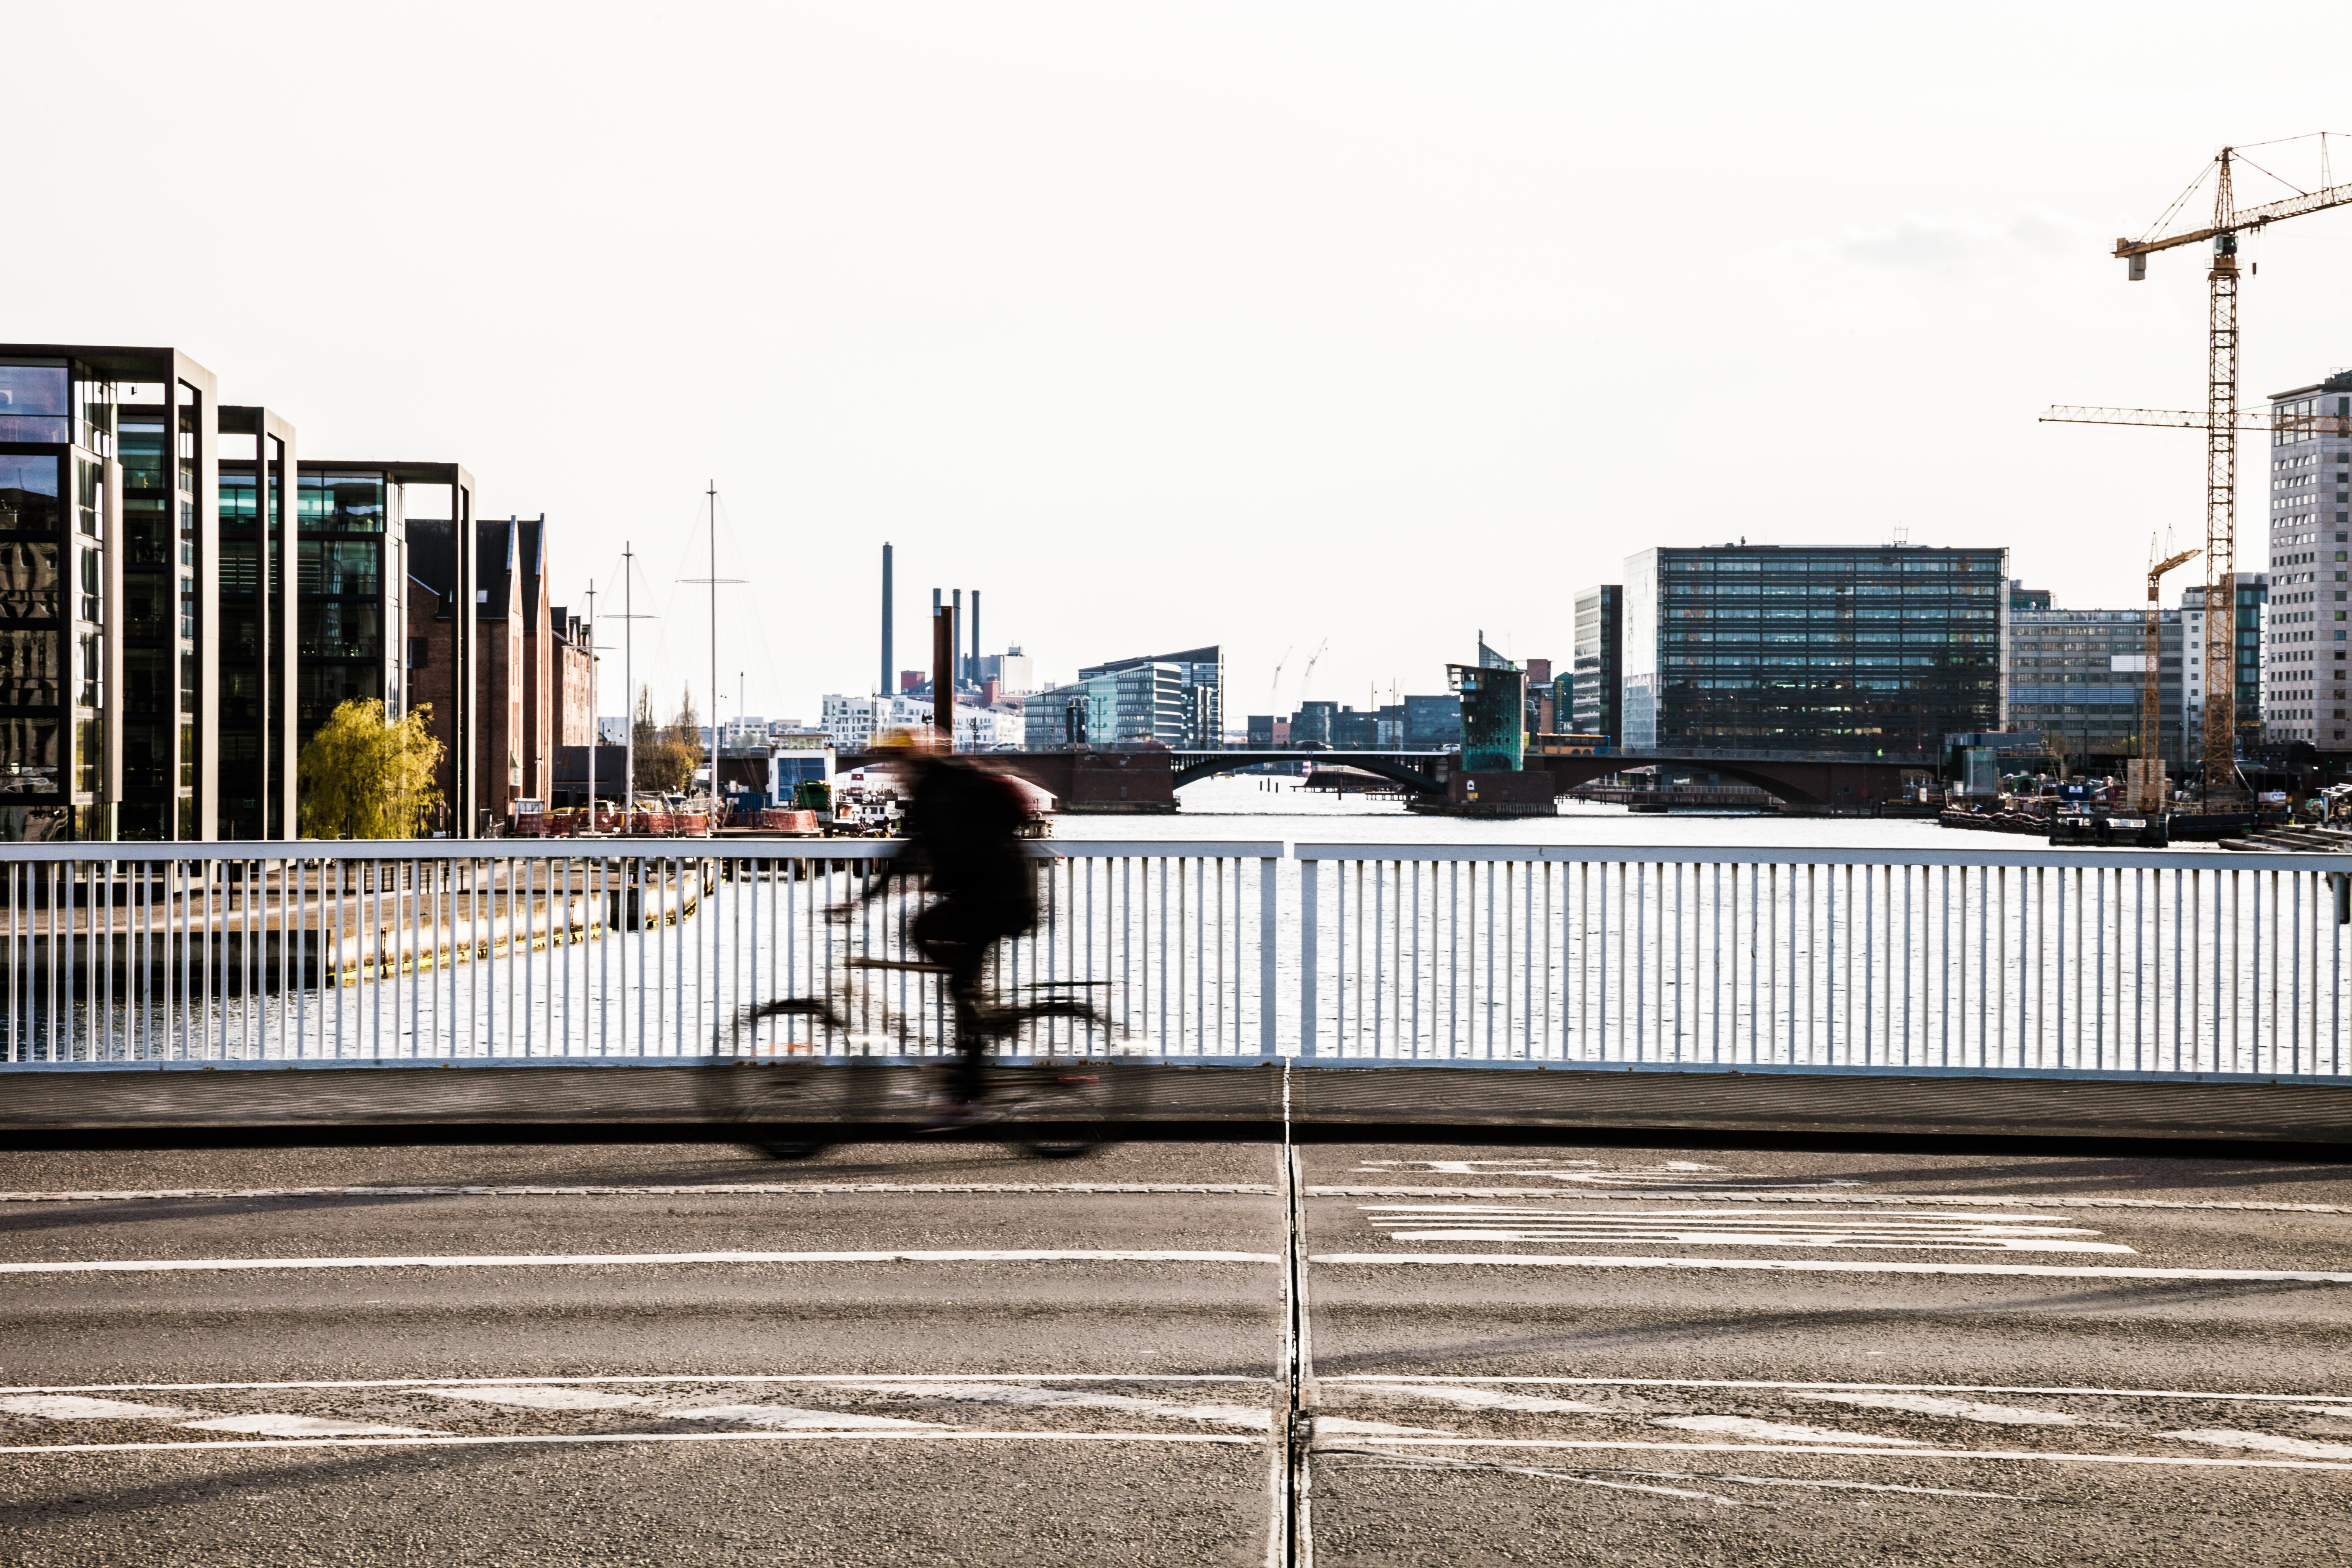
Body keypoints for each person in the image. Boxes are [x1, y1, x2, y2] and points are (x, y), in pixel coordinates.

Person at [844, 732, 1039, 1111]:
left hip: (995, 897)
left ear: (909, 761)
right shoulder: (940, 785)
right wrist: (866, 900)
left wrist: (868, 900)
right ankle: (969, 1082)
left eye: (894, 763)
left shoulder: (939, 789)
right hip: (995, 893)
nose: (892, 772)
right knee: (961, 986)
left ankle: (969, 1090)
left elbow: (935, 848)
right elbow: (914, 850)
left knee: (926, 934)